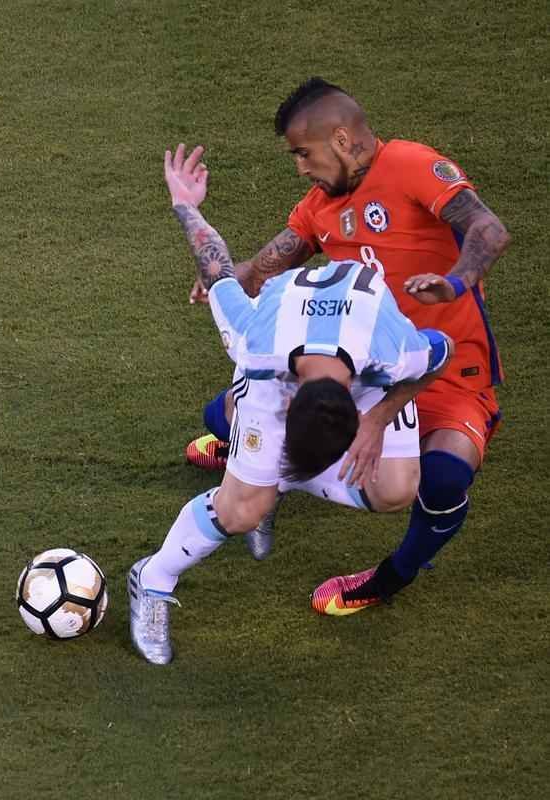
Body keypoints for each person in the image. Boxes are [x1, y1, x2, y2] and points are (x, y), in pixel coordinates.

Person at [185, 77, 511, 608]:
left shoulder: (409, 165)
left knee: (445, 476)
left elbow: (488, 230)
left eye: (303, 153)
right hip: (361, 369)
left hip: (443, 367)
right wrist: (230, 277)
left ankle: (389, 578)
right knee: (221, 416)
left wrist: (452, 284)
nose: (301, 167)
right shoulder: (319, 205)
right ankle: (247, 454)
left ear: (340, 140)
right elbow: (272, 262)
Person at [127, 144, 453, 664]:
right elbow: (219, 272)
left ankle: (271, 478)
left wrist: (379, 417)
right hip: (280, 364)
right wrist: (186, 204)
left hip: (362, 366)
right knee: (241, 507)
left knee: (396, 488)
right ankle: (154, 576)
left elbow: (442, 355)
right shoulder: (256, 342)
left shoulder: (394, 349)